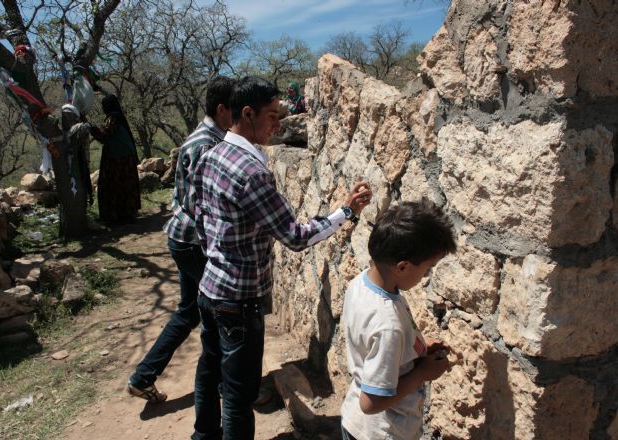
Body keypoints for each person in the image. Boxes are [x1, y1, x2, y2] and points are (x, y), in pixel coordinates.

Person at [189, 76, 373, 440]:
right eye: (272, 116)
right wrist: (345, 212)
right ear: (247, 113)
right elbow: (293, 236)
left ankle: (202, 436)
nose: (279, 124)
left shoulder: (210, 156)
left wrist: (220, 253)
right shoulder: (252, 172)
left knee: (209, 372)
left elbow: (198, 215)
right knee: (239, 396)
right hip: (238, 301)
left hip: (210, 289)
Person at [126, 77, 236, 402]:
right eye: (235, 110)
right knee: (219, 310)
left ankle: (143, 376)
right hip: (194, 243)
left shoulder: (203, 139)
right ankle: (225, 385)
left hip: (183, 238)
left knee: (189, 312)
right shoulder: (207, 145)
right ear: (221, 109)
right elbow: (199, 204)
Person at [340, 200, 457, 440]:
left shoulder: (361, 283)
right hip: (382, 431)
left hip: (357, 424)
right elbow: (370, 403)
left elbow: (377, 352)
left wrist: (418, 352)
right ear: (402, 267)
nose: (426, 276)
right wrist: (421, 373)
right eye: (427, 269)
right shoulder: (388, 325)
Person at [90, 94, 141, 223]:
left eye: (104, 105)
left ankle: (117, 216)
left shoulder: (113, 119)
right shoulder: (118, 118)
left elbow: (104, 136)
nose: (103, 108)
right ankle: (126, 213)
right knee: (125, 186)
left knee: (113, 185)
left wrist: (90, 128)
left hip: (119, 160)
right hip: (125, 157)